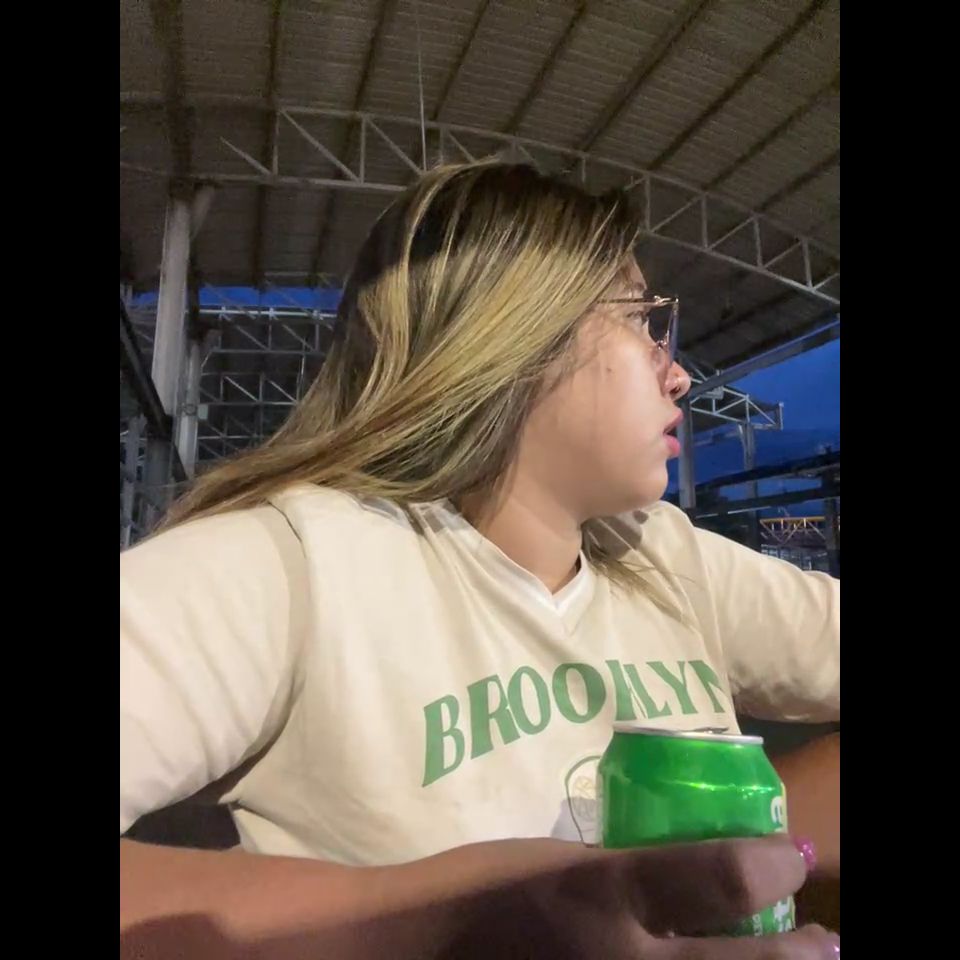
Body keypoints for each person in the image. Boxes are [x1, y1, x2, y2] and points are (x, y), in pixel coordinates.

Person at [120, 160, 840, 958]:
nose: (678, 374)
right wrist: (438, 920)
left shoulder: (663, 554)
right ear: (516, 335)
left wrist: (738, 857)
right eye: (645, 321)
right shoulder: (295, 566)